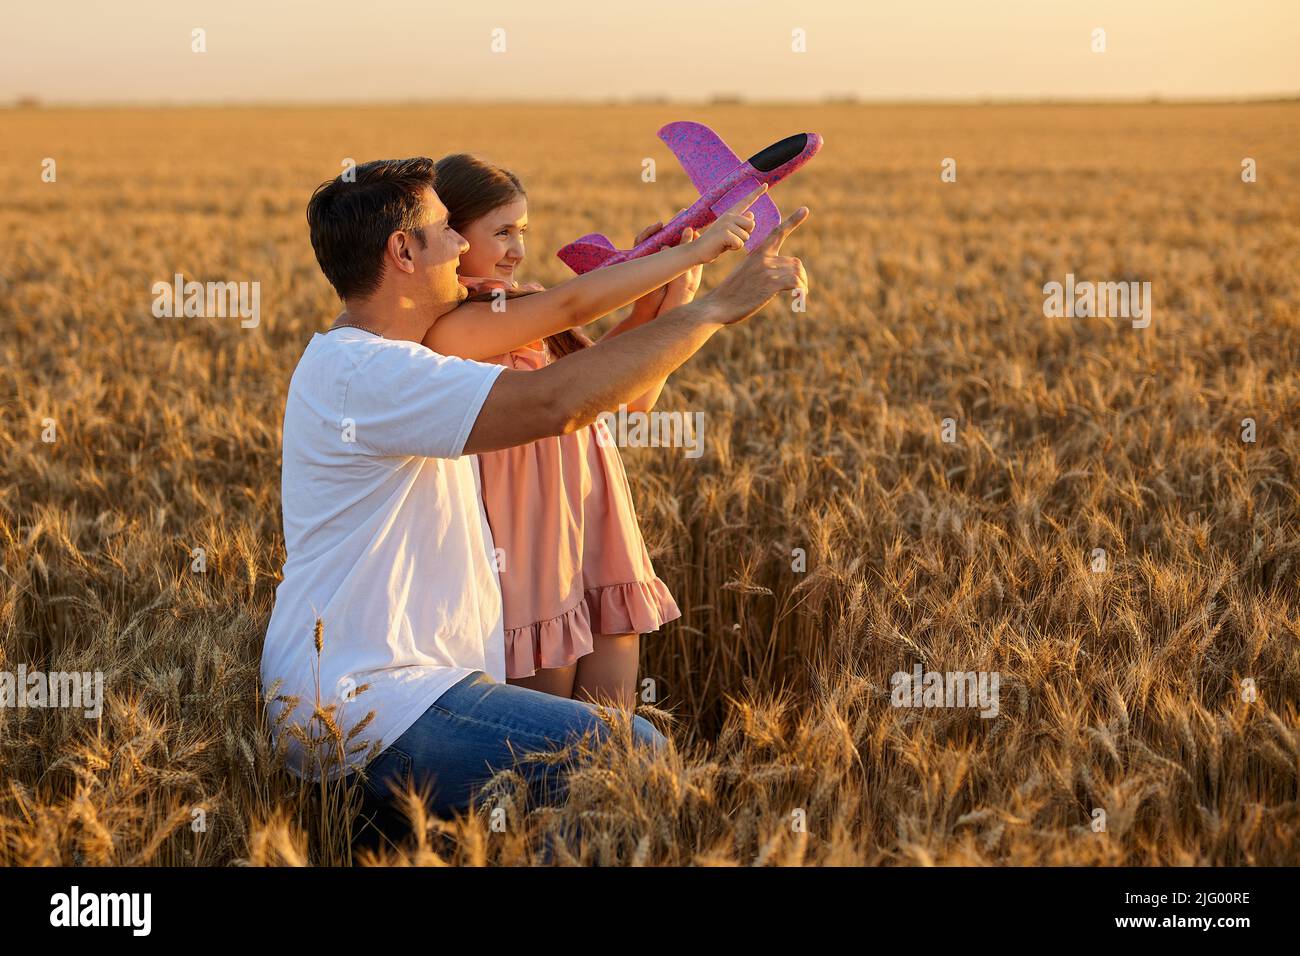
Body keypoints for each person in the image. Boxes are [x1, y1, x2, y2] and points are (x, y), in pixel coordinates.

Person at [259, 156, 808, 828]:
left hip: (408, 692)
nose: (462, 245)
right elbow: (555, 402)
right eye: (445, 229)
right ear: (402, 251)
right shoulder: (369, 375)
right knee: (627, 754)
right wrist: (717, 305)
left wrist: (674, 284)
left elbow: (594, 377)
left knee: (583, 791)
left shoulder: (393, 364)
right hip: (377, 704)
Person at [425, 152, 711, 712]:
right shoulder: (454, 324)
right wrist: (663, 264)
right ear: (451, 235)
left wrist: (678, 283)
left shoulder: (527, 307)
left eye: (523, 231)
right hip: (527, 533)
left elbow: (631, 396)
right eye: (502, 231)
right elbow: (576, 301)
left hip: (590, 515)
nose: (518, 249)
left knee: (609, 733)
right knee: (542, 750)